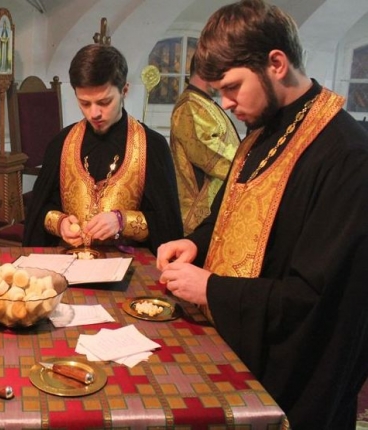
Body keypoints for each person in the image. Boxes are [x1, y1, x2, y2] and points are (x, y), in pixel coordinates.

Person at [156, 1, 368, 428]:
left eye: (232, 87)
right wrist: (195, 244)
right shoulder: (259, 133)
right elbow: (231, 216)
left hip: (292, 383)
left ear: (276, 62)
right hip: (232, 352)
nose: (226, 103)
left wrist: (212, 290)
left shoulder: (346, 155)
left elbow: (319, 300)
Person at [23, 44, 183, 253]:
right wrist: (60, 223)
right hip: (70, 266)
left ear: (124, 90)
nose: (94, 113)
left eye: (104, 102)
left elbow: (167, 225)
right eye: (85, 103)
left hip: (131, 270)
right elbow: (39, 211)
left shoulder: (152, 146)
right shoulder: (61, 144)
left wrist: (121, 221)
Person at [170, 55, 241, 235]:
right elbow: (211, 154)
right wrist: (250, 162)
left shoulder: (203, 102)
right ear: (205, 71)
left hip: (217, 210)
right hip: (199, 215)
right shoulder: (190, 106)